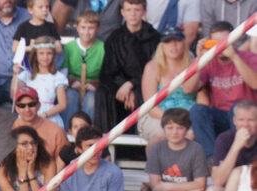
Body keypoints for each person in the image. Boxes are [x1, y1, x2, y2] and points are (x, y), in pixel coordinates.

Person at [190, 22, 257, 159]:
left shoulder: (248, 57)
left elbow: (255, 84)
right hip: (221, 115)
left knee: (236, 107)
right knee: (197, 110)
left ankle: (238, 157)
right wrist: (199, 59)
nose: (220, 46)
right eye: (216, 42)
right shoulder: (208, 61)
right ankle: (212, 159)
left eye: (225, 41)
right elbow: (189, 89)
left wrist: (234, 57)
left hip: (246, 116)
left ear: (234, 40)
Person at [96, 0, 159, 133]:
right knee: (102, 92)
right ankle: (107, 142)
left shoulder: (155, 38)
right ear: (122, 12)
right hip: (119, 87)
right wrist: (123, 86)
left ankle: (141, 143)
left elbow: (157, 68)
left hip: (146, 85)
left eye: (137, 10)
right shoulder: (114, 38)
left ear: (144, 11)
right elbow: (108, 71)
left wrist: (132, 84)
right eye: (129, 10)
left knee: (142, 94)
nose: (133, 14)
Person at [138, 26, 198, 144]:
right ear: (162, 46)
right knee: (163, 135)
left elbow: (195, 93)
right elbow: (150, 106)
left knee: (192, 134)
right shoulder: (152, 67)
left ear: (184, 43)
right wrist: (173, 120)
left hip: (189, 117)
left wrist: (183, 121)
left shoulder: (194, 64)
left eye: (177, 41)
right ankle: (155, 162)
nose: (173, 45)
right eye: (168, 42)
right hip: (158, 115)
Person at [0, 124, 59, 191]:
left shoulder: (47, 164)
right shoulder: (2, 170)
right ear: (13, 148)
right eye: (24, 144)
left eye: (33, 143)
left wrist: (31, 174)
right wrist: (22, 173)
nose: (30, 148)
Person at [11, 36, 67, 128]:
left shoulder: (58, 77)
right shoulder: (27, 75)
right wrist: (15, 74)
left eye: (49, 53)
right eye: (41, 53)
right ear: (35, 55)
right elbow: (14, 94)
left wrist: (44, 115)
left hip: (48, 117)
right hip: (28, 114)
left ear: (53, 55)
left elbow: (62, 104)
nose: (45, 57)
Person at [62, 11, 103, 127]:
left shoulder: (102, 48)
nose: (86, 32)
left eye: (91, 28)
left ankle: (87, 131)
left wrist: (95, 85)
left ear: (97, 29)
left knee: (92, 101)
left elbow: (105, 74)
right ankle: (68, 129)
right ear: (77, 28)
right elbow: (64, 70)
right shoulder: (70, 47)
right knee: (70, 97)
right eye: (83, 27)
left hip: (92, 86)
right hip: (73, 85)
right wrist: (71, 82)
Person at [13, 84, 68, 159]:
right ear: (17, 109)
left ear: (38, 105)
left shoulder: (56, 131)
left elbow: (63, 161)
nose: (27, 110)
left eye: (31, 104)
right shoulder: (15, 126)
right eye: (22, 106)